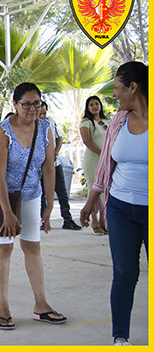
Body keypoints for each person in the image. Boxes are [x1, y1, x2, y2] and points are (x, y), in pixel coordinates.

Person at [0, 82, 66, 330]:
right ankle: (3, 307)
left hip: (31, 194)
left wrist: (50, 205)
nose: (32, 109)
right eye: (26, 104)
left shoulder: (45, 129)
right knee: (4, 249)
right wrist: (8, 212)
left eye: (37, 103)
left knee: (33, 246)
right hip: (0, 196)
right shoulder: (2, 130)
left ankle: (41, 305)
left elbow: (49, 167)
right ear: (15, 105)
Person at [80, 61, 148, 346]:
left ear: (133, 87)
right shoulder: (118, 121)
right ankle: (120, 338)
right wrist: (91, 203)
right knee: (123, 273)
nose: (115, 95)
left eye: (118, 89)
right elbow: (106, 165)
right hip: (119, 206)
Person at [38, 101, 82, 230]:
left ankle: (67, 219)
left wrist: (55, 152)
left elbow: (59, 138)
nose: (42, 116)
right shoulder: (32, 124)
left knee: (62, 192)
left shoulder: (51, 122)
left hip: (54, 163)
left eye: (44, 113)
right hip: (39, 165)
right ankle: (43, 220)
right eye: (40, 114)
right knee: (41, 194)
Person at [79, 95, 110, 235]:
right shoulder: (86, 122)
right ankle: (95, 222)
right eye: (91, 104)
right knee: (94, 189)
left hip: (107, 160)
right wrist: (102, 153)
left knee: (105, 189)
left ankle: (104, 222)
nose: (94, 106)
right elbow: (87, 142)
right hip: (93, 159)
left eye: (96, 103)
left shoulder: (108, 121)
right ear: (88, 108)